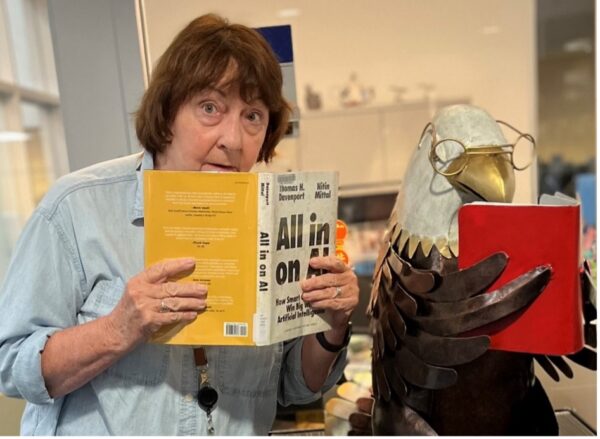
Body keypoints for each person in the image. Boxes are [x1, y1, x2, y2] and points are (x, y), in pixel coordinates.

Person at [0, 14, 359, 435]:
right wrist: (118, 329)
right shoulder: (76, 209)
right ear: (168, 111)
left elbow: (293, 387)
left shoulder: (276, 223)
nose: (233, 139)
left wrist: (332, 327)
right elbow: (13, 367)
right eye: (210, 108)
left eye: (253, 116)